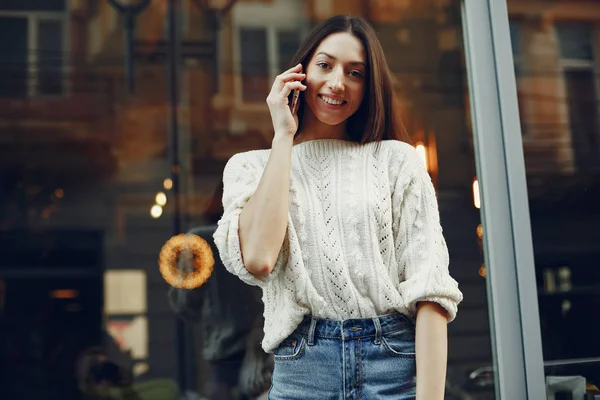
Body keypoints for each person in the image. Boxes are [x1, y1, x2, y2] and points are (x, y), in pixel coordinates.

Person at [213, 14, 463, 400]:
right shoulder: (250, 168)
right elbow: (260, 258)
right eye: (325, 65)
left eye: (355, 73)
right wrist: (283, 136)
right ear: (301, 73)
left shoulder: (396, 162)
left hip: (394, 362)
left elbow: (430, 292)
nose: (337, 83)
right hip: (304, 368)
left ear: (369, 87)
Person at [168, 184, 272, 400]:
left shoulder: (201, 241)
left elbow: (184, 304)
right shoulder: (269, 235)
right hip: (271, 354)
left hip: (226, 355)